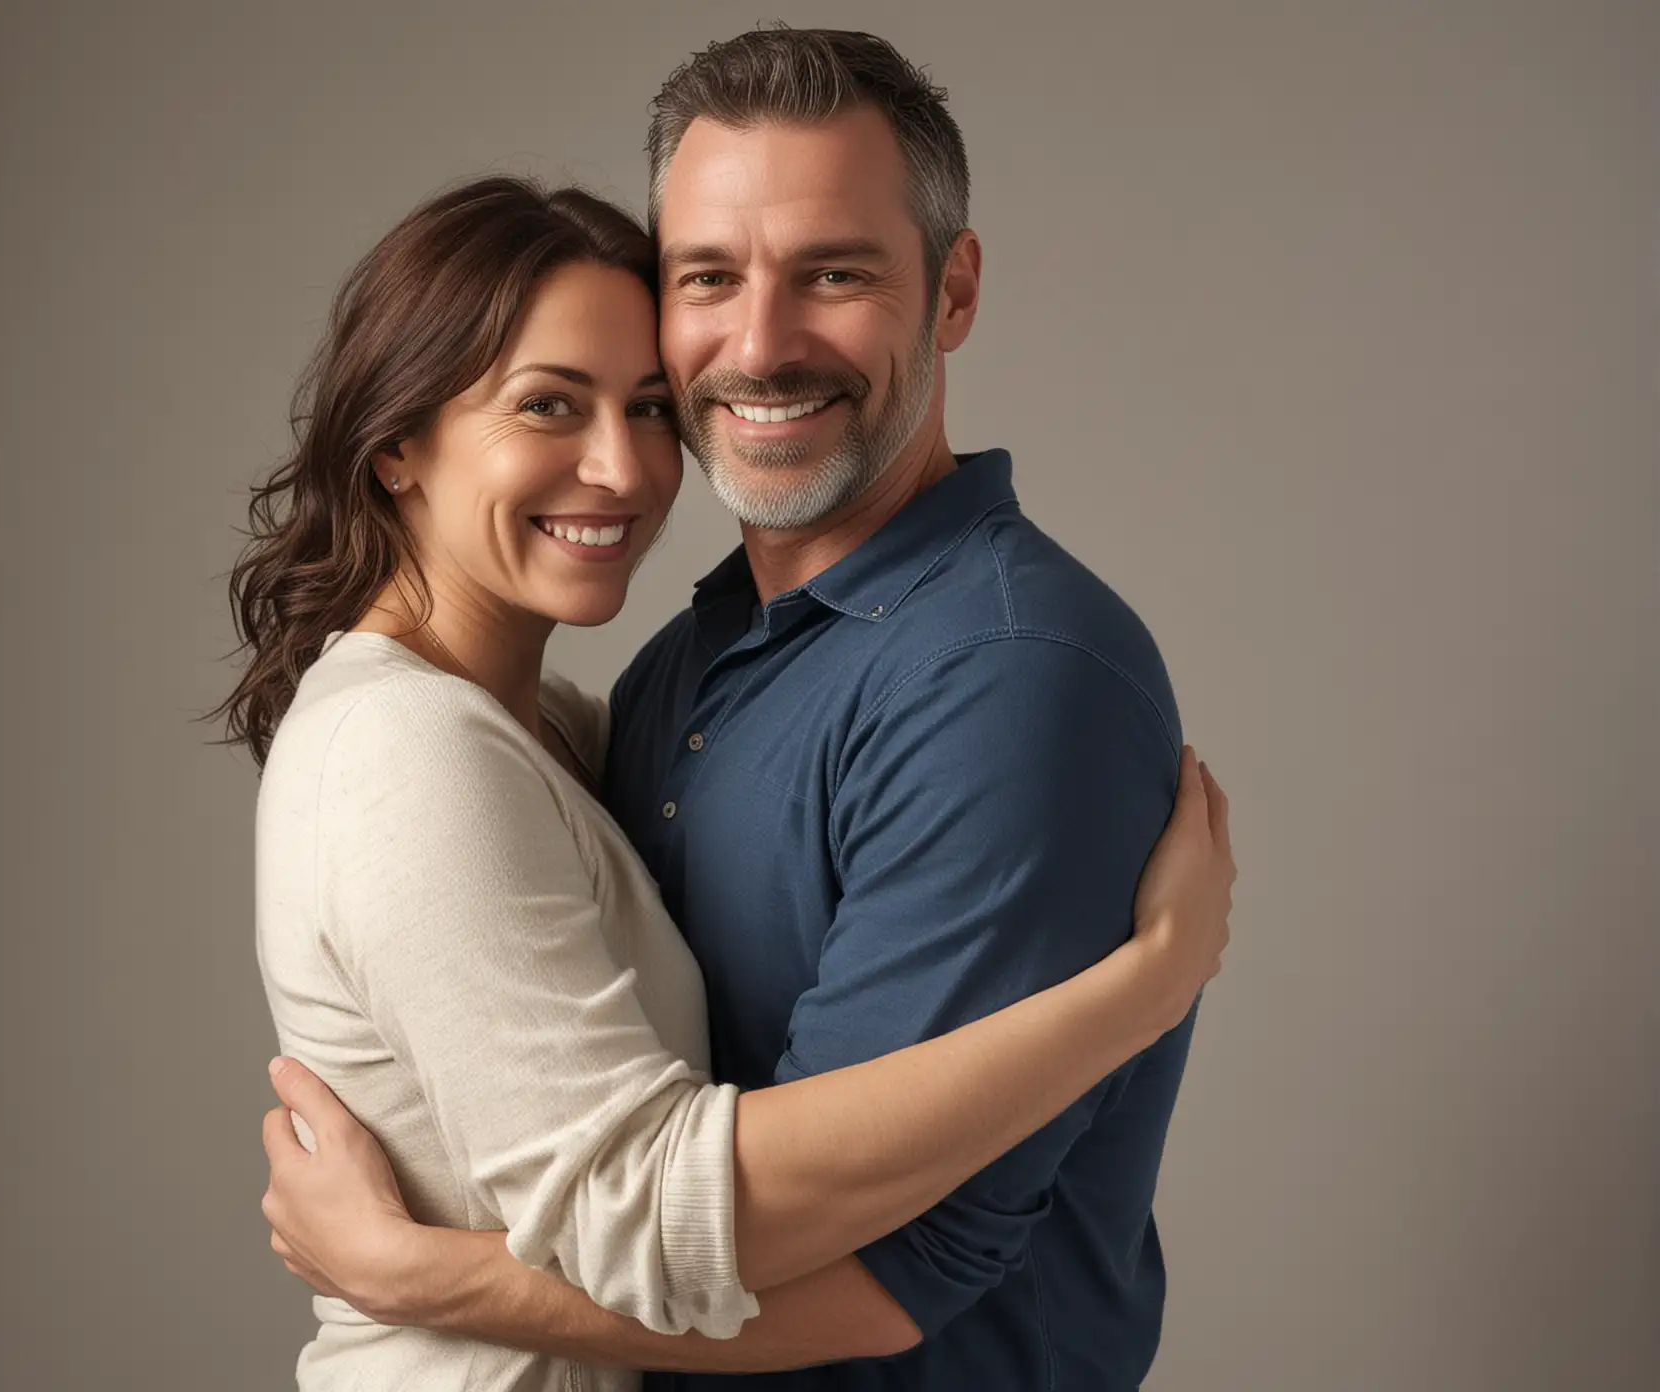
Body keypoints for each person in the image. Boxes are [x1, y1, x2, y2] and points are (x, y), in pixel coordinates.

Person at [237, 32, 1232, 1390]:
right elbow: (642, 1201)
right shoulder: (641, 686)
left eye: (834, 272)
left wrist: (415, 1272)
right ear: (395, 440)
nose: (757, 347)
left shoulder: (1003, 676)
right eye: (708, 278)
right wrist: (1138, 996)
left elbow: (893, 1276)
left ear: (953, 292)